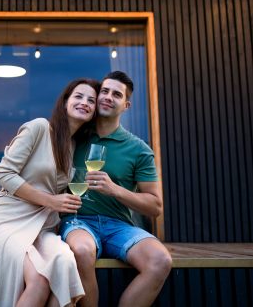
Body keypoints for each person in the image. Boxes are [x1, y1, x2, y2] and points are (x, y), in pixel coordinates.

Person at [0, 78, 100, 307]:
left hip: (43, 226)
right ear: (65, 101)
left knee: (65, 263)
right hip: (9, 219)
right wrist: (51, 201)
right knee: (39, 279)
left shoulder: (73, 147)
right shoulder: (39, 127)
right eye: (78, 96)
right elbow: (3, 175)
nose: (85, 102)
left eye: (91, 100)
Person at [58, 71, 172, 307]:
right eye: (104, 91)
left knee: (160, 260)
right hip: (79, 220)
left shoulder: (139, 149)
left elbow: (155, 206)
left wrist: (115, 190)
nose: (108, 97)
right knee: (81, 249)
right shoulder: (73, 135)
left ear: (126, 105)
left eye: (117, 95)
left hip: (119, 226)